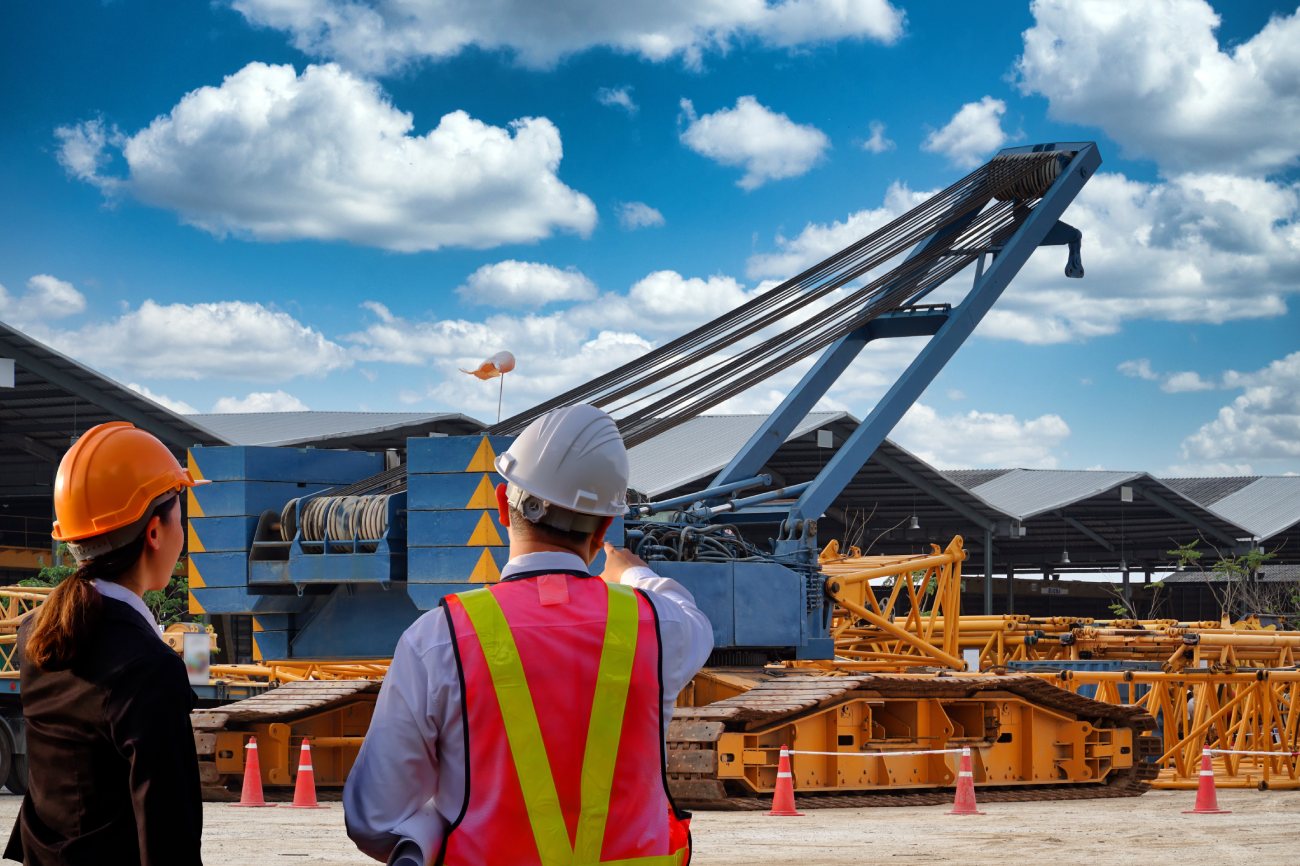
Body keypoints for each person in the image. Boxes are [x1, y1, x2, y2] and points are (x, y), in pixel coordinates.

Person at [345, 404, 714, 866]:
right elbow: (689, 613)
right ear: (603, 530)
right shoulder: (662, 628)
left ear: (503, 504)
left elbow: (375, 819)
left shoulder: (440, 637)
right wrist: (635, 574)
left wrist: (438, 826)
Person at [5, 422, 206, 866]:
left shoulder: (36, 631)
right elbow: (168, 833)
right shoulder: (148, 667)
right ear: (154, 532)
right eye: (181, 515)